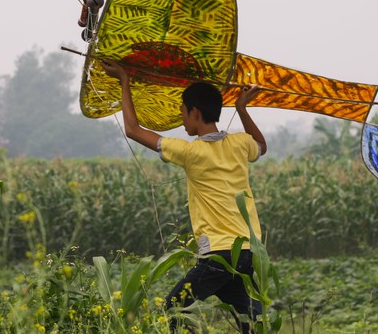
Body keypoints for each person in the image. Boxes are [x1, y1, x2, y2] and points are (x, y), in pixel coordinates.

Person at [101, 60, 268, 333]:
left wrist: (124, 80)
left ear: (195, 112)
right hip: (248, 251)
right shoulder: (240, 144)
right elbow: (261, 145)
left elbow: (132, 130)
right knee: (250, 317)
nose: (181, 117)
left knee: (174, 309)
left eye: (182, 111)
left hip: (218, 255)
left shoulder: (190, 152)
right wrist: (242, 109)